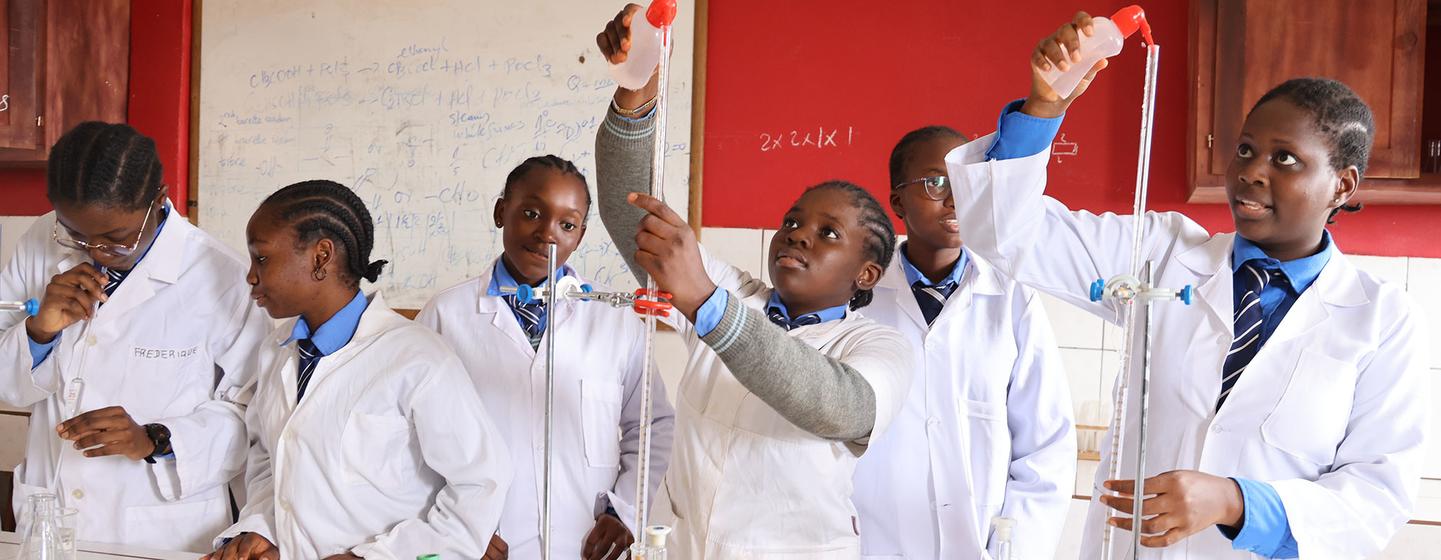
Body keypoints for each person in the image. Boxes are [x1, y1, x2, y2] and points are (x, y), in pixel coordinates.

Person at [947, 12, 1430, 558]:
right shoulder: (1162, 254)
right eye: (1246, 150)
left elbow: (1375, 498)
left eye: (1285, 159)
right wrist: (1045, 106)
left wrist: (1234, 502)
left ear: (1341, 186)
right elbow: (1006, 235)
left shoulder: (1381, 318)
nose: (1251, 171)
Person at [594, 7, 915, 557]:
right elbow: (634, 220)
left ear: (867, 273)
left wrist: (706, 306)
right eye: (791, 222)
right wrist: (635, 91)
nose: (798, 236)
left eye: (827, 233)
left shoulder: (880, 344)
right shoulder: (735, 295)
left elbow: (838, 407)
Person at [0, 122, 270, 552]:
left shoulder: (221, 277)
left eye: (115, 238)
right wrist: (39, 331)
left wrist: (156, 439)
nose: (95, 251)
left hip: (161, 529)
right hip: (49, 513)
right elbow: (8, 386)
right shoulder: (40, 241)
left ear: (158, 201)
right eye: (76, 234)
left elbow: (254, 417)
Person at [208, 180, 511, 560]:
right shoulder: (276, 352)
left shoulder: (418, 360)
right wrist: (262, 528)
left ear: (321, 256)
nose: (251, 276)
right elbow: (271, 461)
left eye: (262, 258)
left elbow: (480, 484)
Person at [416, 155, 675, 560]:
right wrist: (457, 527)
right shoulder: (445, 316)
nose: (547, 234)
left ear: (582, 234)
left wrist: (624, 512)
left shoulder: (615, 317)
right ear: (502, 211)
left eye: (567, 224)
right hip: (481, 542)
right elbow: (417, 441)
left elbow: (652, 425)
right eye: (532, 213)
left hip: (586, 541)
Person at [853, 125, 1075, 559]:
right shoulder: (858, 296)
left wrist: (1017, 549)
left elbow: (1047, 445)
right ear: (897, 201)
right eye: (936, 182)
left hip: (984, 547)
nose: (954, 198)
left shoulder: (1012, 295)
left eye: (966, 180)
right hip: (871, 543)